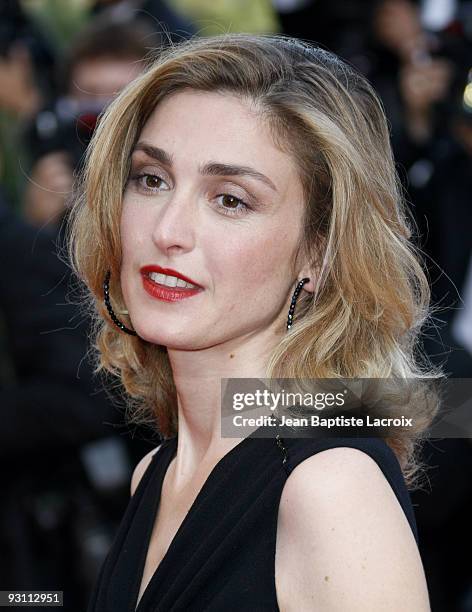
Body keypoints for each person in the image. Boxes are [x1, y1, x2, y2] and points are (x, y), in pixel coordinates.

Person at [68, 33, 441, 610]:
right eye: (152, 179)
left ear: (318, 253)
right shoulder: (155, 473)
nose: (167, 230)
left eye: (231, 200)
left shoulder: (330, 489)